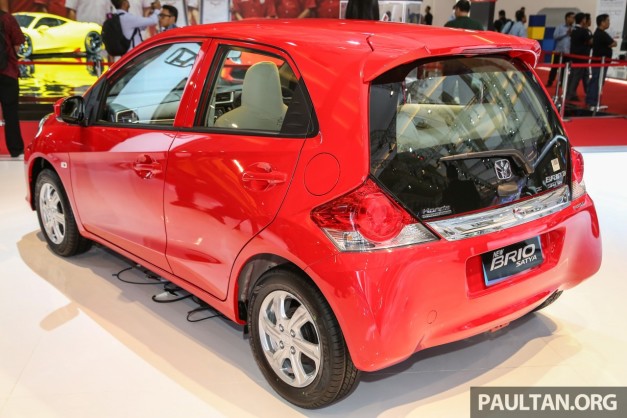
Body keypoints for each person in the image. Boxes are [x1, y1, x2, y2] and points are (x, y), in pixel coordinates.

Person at [0, 9, 26, 157]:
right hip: (7, 72)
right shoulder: (7, 19)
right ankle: (15, 149)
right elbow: (17, 44)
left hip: (7, 72)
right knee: (11, 113)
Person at [586, 14, 617, 108]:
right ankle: (593, 101)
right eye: (607, 21)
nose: (609, 23)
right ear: (602, 22)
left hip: (599, 62)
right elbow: (613, 43)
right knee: (597, 81)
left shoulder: (597, 33)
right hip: (600, 63)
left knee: (596, 81)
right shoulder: (602, 34)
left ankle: (592, 100)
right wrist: (609, 45)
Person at [566, 12, 593, 102]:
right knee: (576, 77)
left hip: (574, 56)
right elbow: (591, 42)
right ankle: (570, 94)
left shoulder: (573, 30)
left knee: (577, 75)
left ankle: (573, 93)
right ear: (582, 20)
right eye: (585, 19)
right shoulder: (583, 31)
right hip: (581, 58)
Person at [546, 11, 574, 88]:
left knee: (565, 69)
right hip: (559, 51)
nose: (573, 19)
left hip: (568, 52)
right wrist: (566, 34)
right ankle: (550, 81)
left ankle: (562, 82)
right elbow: (555, 36)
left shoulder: (574, 28)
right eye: (572, 18)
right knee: (554, 67)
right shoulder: (560, 27)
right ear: (567, 18)